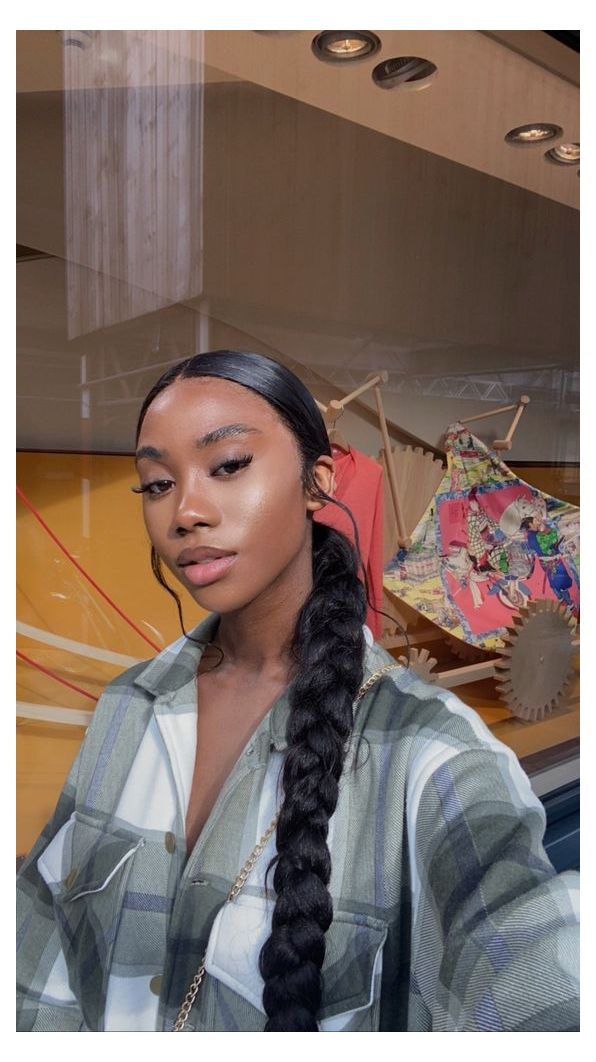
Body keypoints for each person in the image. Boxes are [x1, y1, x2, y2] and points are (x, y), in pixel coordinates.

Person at [16, 351, 579, 1032]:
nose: (186, 512)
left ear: (318, 482)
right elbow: (36, 949)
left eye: (228, 466)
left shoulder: (432, 757)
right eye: (157, 483)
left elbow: (535, 970)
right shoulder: (126, 709)